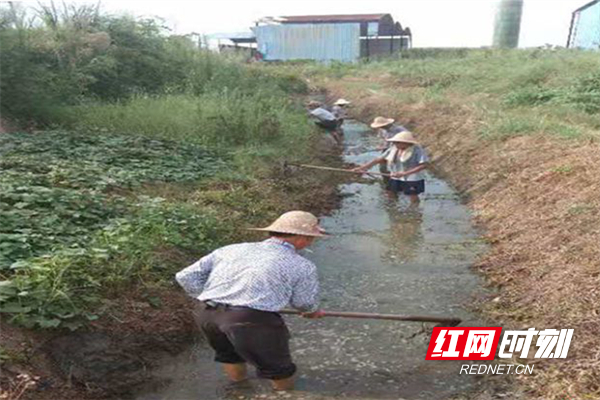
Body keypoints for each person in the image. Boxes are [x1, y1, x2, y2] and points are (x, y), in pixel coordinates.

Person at [175, 211, 327, 391]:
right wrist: (311, 312)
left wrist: (209, 294)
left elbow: (185, 276)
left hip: (208, 314)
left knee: (230, 356)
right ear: (302, 238)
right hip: (249, 320)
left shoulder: (230, 249)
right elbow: (303, 302)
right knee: (278, 369)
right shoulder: (301, 265)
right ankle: (285, 394)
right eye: (312, 238)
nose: (311, 241)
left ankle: (239, 390)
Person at [352, 131, 429, 205]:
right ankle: (393, 208)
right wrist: (363, 168)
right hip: (395, 176)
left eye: (397, 142)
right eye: (394, 142)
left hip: (412, 177)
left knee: (412, 196)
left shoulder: (417, 150)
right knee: (390, 192)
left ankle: (414, 211)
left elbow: (423, 165)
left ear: (406, 143)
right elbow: (380, 159)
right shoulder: (393, 148)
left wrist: (404, 173)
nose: (395, 144)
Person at [370, 116, 408, 182]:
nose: (381, 127)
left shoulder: (399, 130)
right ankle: (387, 182)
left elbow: (408, 139)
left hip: (399, 151)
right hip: (386, 150)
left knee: (397, 167)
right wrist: (380, 146)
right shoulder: (382, 130)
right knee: (382, 168)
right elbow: (382, 140)